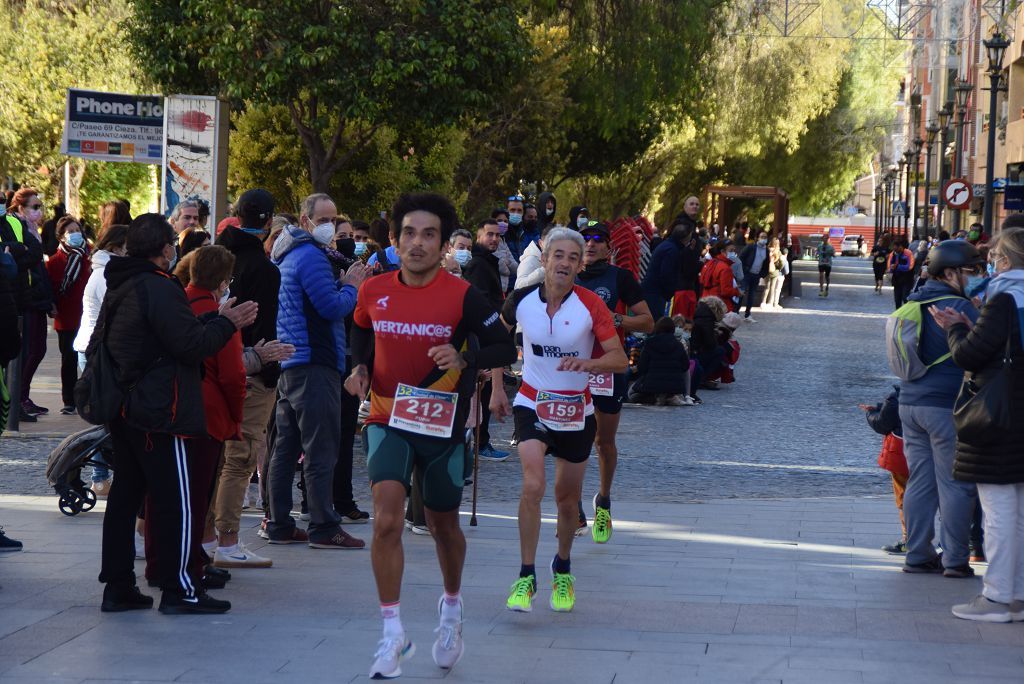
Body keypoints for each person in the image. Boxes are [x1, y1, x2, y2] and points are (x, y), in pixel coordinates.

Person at [345, 192, 516, 678]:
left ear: (443, 244)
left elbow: (502, 342)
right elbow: (360, 330)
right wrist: (358, 365)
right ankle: (392, 633)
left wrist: (465, 359)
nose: (417, 243)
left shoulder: (462, 295)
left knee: (443, 527)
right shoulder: (373, 289)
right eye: (408, 233)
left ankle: (451, 606)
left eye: (429, 235)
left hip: (440, 423)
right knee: (386, 521)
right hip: (386, 416)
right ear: (395, 239)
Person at [95, 213, 256, 615]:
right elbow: (188, 345)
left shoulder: (123, 282)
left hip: (127, 407)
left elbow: (164, 336)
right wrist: (225, 322)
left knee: (128, 498)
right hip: (157, 411)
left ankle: (118, 585)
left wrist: (212, 321)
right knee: (177, 502)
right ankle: (181, 588)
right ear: (167, 249)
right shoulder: (158, 286)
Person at [491, 227, 628, 614]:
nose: (565, 263)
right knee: (532, 484)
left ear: (580, 264)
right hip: (532, 402)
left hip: (574, 410)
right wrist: (497, 389)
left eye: (573, 257)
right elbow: (498, 346)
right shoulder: (520, 302)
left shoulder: (590, 306)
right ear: (545, 259)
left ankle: (562, 566)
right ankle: (525, 575)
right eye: (559, 255)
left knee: (566, 501)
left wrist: (591, 362)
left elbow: (619, 358)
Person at [265, 193, 369, 549]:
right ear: (305, 220)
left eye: (333, 217)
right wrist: (352, 285)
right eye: (323, 219)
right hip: (314, 362)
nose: (330, 226)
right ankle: (323, 526)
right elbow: (330, 307)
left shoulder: (289, 254)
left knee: (286, 445)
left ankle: (278, 522)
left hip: (293, 363)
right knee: (320, 447)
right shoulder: (310, 256)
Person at [931, 226, 1024, 622]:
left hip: (1001, 416)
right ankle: (1016, 594)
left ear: (1005, 259)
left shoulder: (1003, 297)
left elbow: (971, 355)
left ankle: (998, 597)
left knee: (1000, 509)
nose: (988, 262)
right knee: (1018, 509)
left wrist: (954, 328)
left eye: (993, 255)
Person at [212, 189, 287, 567]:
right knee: (240, 458)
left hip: (219, 365)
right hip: (252, 368)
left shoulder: (219, 257)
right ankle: (225, 541)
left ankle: (210, 537)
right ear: (269, 221)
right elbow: (265, 323)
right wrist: (268, 365)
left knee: (218, 457)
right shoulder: (262, 267)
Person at [899, 240, 982, 578]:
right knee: (955, 484)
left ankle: (917, 553)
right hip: (946, 405)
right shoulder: (959, 307)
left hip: (910, 402)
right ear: (949, 272)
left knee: (920, 481)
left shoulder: (915, 299)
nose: (975, 276)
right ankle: (955, 560)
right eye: (969, 271)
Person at [575, 221, 654, 543]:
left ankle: (603, 500)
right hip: (572, 368)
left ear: (610, 248)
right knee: (573, 441)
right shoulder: (565, 275)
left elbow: (648, 322)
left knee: (602, 442)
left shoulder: (620, 278)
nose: (591, 245)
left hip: (608, 369)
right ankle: (573, 506)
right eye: (586, 239)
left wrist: (614, 318)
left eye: (598, 240)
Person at [176, 246, 246, 589]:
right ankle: (189, 565)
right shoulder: (218, 315)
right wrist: (236, 415)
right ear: (221, 281)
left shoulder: (177, 304)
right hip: (207, 414)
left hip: (173, 410)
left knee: (178, 494)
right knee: (197, 497)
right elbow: (233, 376)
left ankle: (184, 561)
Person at [461, 218, 509, 462]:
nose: (493, 239)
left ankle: (480, 441)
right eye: (488, 234)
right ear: (478, 236)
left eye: (497, 235)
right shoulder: (479, 265)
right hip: (484, 337)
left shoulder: (488, 262)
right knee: (483, 391)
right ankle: (481, 442)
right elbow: (479, 303)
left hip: (490, 333)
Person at [8, 188, 53, 421]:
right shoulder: (16, 226)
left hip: (36, 297)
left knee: (37, 349)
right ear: (20, 208)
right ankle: (19, 398)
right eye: (34, 206)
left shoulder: (33, 230)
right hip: (26, 298)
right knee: (29, 351)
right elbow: (24, 259)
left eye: (39, 206)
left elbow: (36, 260)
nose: (39, 211)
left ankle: (22, 395)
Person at [44, 216, 90, 415]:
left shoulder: (87, 258)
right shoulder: (54, 262)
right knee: (69, 361)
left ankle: (88, 398)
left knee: (89, 360)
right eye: (70, 232)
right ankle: (69, 401)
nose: (75, 234)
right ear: (61, 237)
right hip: (66, 318)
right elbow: (51, 289)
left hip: (86, 317)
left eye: (77, 230)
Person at [861, 386, 908, 554]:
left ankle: (908, 539)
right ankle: (961, 543)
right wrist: (882, 406)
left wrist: (871, 414)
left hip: (903, 455)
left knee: (904, 496)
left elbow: (882, 424)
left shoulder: (898, 396)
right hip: (936, 451)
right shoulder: (949, 386)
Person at [627, 316, 692, 406]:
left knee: (631, 394)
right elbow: (685, 366)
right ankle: (682, 396)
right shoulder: (679, 345)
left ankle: (656, 398)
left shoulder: (649, 343)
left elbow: (642, 367)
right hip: (674, 387)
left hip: (651, 385)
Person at [699, 242, 742, 312]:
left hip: (706, 301)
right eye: (731, 251)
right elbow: (725, 291)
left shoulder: (709, 263)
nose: (733, 253)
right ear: (722, 251)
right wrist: (737, 292)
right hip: (720, 305)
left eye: (734, 251)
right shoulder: (725, 268)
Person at [738, 230, 769, 321]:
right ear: (757, 238)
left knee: (752, 295)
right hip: (747, 274)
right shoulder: (751, 247)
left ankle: (748, 315)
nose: (764, 239)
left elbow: (766, 264)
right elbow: (741, 257)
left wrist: (762, 274)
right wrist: (745, 269)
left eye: (765, 237)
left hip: (756, 275)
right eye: (762, 237)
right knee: (741, 293)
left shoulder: (766, 250)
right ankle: (735, 312)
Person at [889, 236, 916, 308]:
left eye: (897, 249)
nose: (895, 251)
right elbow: (889, 267)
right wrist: (891, 268)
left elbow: (910, 266)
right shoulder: (893, 254)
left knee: (905, 297)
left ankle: (908, 312)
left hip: (907, 279)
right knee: (897, 300)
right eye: (894, 249)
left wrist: (897, 267)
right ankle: (899, 316)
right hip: (896, 280)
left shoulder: (908, 253)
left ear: (901, 247)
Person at [762, 237, 787, 308]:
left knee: (766, 287)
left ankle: (763, 302)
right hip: (775, 272)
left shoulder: (766, 250)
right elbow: (781, 265)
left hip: (767, 271)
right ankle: (770, 303)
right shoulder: (778, 252)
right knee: (772, 288)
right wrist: (779, 266)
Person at [816, 233, 835, 297]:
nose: (825, 240)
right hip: (821, 263)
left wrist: (831, 253)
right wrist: (817, 255)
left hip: (828, 263)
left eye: (826, 239)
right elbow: (817, 253)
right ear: (822, 239)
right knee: (821, 275)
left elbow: (834, 255)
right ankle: (821, 289)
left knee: (827, 277)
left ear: (828, 239)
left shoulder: (831, 247)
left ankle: (827, 286)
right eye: (824, 238)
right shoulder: (819, 246)